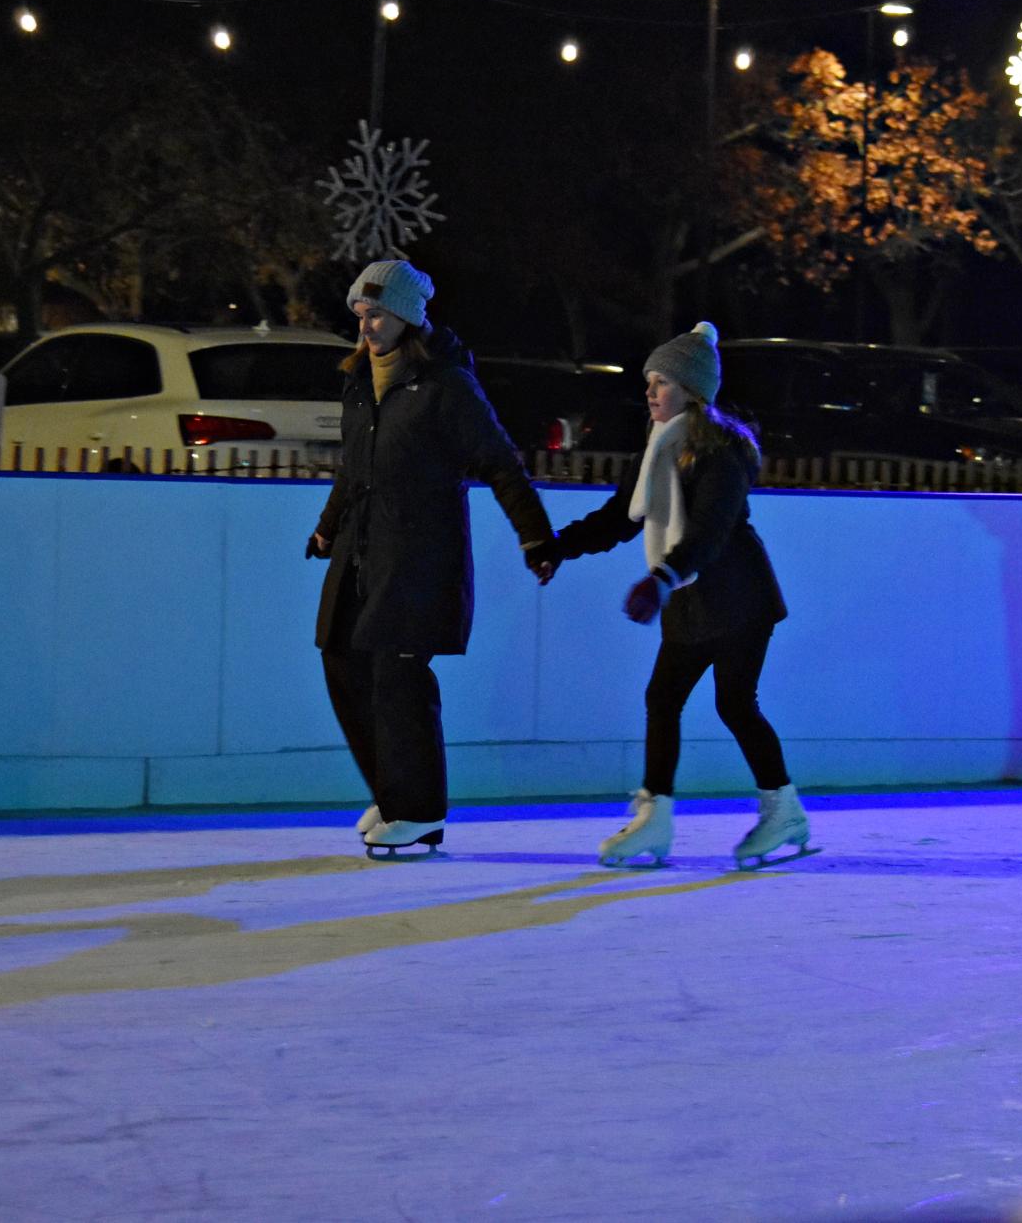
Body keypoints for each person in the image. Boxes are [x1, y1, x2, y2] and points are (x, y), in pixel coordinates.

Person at [308, 259, 559, 858]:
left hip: (419, 556)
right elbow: (354, 467)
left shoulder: (445, 385)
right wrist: (326, 528)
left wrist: (535, 537)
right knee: (343, 662)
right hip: (361, 549)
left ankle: (419, 811)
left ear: (408, 319)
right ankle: (393, 794)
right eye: (362, 315)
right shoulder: (358, 381)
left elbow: (500, 461)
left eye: (379, 316)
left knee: (399, 678)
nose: (367, 328)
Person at [549, 321, 809, 869]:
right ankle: (656, 818)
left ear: (691, 389)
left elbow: (710, 530)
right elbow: (620, 518)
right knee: (662, 699)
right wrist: (558, 547)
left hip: (739, 598)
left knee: (735, 704)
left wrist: (661, 578)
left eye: (661, 381)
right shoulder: (659, 450)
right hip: (689, 600)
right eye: (648, 380)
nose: (649, 391)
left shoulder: (724, 451)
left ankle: (783, 811)